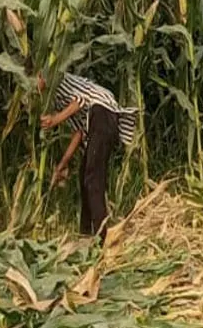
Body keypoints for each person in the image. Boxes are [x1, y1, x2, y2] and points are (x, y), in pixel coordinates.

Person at [38, 68, 138, 237]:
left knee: (93, 179)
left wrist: (55, 120)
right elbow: (79, 132)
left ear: (40, 75)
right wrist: (63, 164)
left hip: (102, 114)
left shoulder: (56, 79)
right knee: (85, 177)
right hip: (96, 123)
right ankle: (86, 234)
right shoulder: (55, 100)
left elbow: (81, 100)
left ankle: (102, 237)